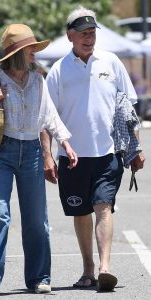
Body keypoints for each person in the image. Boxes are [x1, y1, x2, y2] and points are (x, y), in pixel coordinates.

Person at [0, 23, 78, 298]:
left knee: (36, 218)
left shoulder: (38, 79)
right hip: (1, 151)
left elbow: (49, 115)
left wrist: (64, 142)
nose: (35, 54)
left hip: (30, 152)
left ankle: (40, 278)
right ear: (18, 52)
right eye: (31, 49)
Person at [41, 6, 145, 292]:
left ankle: (105, 268)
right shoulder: (58, 71)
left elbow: (127, 109)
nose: (89, 39)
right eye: (84, 34)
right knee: (81, 212)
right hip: (72, 158)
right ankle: (88, 269)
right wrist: (48, 155)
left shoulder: (111, 62)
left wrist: (135, 148)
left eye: (92, 33)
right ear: (70, 36)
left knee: (103, 207)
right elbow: (46, 118)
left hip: (108, 154)